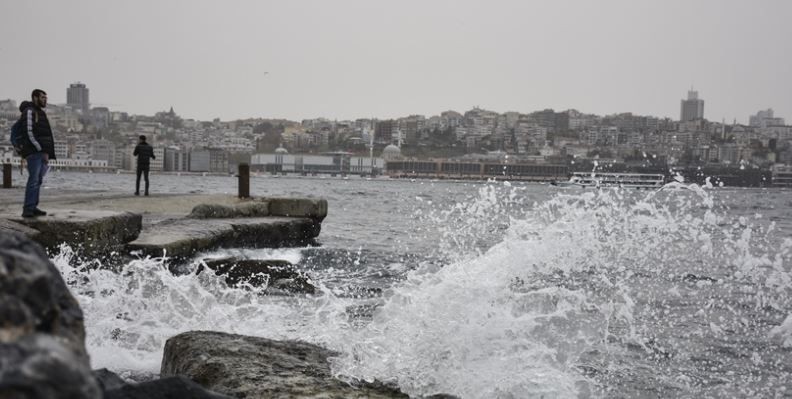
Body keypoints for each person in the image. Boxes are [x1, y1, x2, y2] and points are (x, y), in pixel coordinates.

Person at [19, 89, 55, 218]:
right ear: (35, 98)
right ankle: (28, 208)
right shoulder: (29, 111)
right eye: (42, 97)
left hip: (41, 153)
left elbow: (45, 135)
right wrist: (40, 148)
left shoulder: (41, 113)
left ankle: (33, 206)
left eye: (46, 97)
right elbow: (29, 132)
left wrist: (47, 152)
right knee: (33, 180)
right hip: (34, 153)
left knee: (38, 180)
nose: (45, 100)